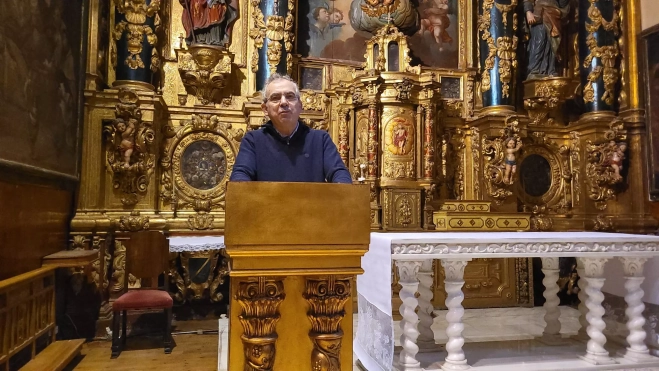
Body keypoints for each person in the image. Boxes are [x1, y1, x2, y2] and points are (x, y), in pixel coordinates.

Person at [230, 74, 352, 183]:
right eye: (275, 98)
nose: (283, 102)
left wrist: (342, 188)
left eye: (290, 96)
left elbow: (339, 172)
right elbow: (241, 176)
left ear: (300, 106)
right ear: (265, 109)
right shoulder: (253, 140)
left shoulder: (320, 139)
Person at [524, 0, 570, 79]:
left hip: (554, 14)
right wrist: (528, 12)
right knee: (539, 42)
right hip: (540, 13)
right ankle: (535, 70)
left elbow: (563, 4)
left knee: (552, 44)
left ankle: (550, 70)